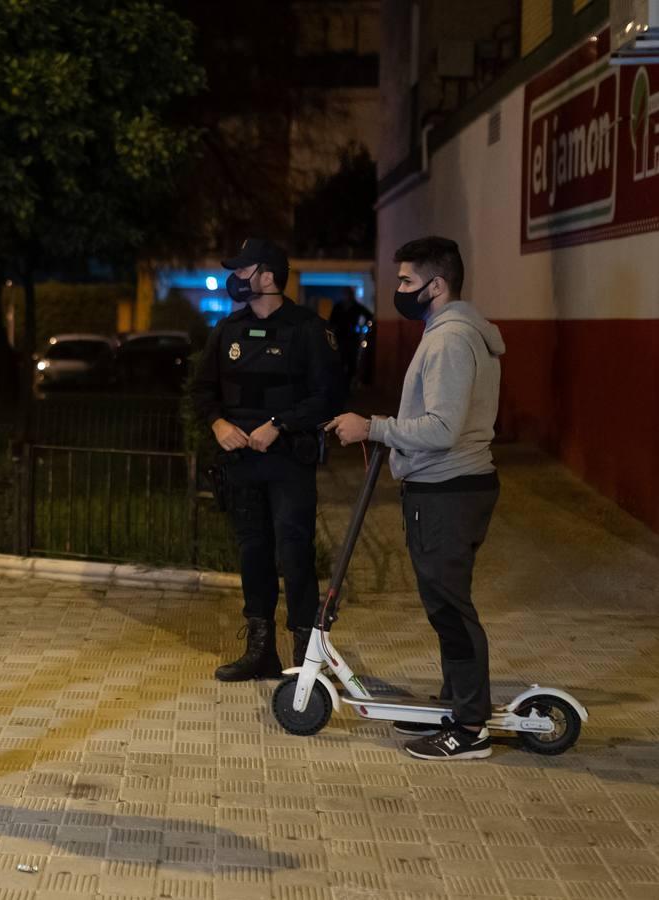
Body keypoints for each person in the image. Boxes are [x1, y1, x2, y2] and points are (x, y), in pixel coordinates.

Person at [327, 236, 504, 761]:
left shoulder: (450, 340)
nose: (399, 290)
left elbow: (444, 427)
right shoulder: (450, 332)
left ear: (437, 284)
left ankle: (470, 727)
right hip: (448, 487)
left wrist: (374, 427)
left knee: (451, 608)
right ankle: (456, 704)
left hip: (447, 488)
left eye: (407, 281)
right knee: (445, 604)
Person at [192, 238, 345, 682]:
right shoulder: (227, 330)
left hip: (288, 463)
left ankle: (305, 656)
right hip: (242, 465)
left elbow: (329, 397)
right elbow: (202, 390)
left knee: (295, 554)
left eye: (244, 270)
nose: (235, 278)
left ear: (268, 276)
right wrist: (219, 424)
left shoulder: (309, 330)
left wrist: (278, 423)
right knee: (252, 552)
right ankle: (261, 651)